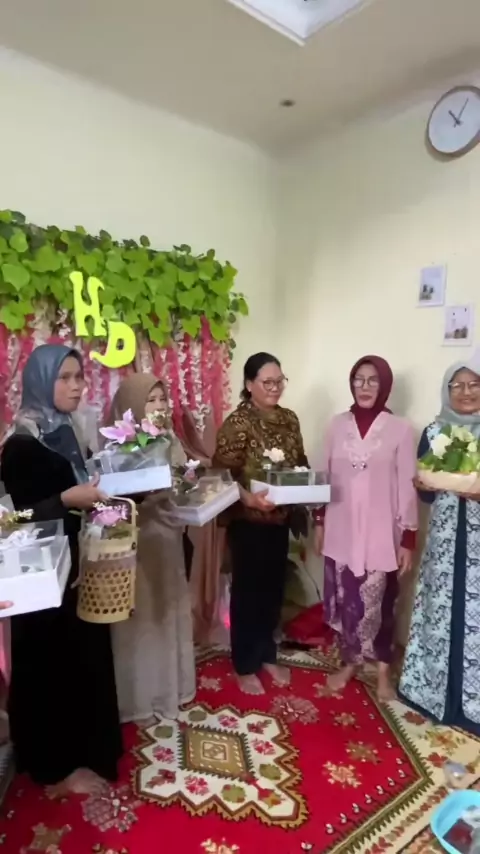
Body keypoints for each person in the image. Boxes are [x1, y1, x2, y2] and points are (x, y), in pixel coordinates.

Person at [0, 344, 123, 795]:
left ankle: (86, 749)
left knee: (83, 658)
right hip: (43, 575)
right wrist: (65, 501)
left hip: (78, 563)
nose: (76, 387)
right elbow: (13, 519)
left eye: (79, 377)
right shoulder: (21, 445)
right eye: (64, 378)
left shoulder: (68, 430)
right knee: (52, 665)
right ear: (41, 382)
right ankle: (55, 764)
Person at [313, 356, 418, 702]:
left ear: (384, 385)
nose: (365, 386)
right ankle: (351, 664)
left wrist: (408, 538)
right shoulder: (336, 425)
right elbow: (323, 477)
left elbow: (407, 485)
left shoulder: (400, 429)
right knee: (348, 603)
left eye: (373, 380)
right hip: (341, 530)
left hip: (381, 535)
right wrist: (319, 521)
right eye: (359, 379)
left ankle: (384, 672)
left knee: (382, 604)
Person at [213, 352, 308, 695]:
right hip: (249, 522)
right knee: (248, 593)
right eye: (267, 382)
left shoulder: (289, 419)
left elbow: (300, 463)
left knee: (273, 590)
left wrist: (308, 489)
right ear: (249, 384)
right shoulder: (238, 423)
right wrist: (250, 500)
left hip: (280, 520)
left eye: (279, 381)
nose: (275, 388)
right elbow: (220, 475)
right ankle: (244, 663)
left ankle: (267, 653)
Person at [399, 355, 480, 734]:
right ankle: (433, 694)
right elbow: (428, 492)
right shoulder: (435, 432)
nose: (465, 392)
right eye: (457, 385)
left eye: (473, 384)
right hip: (445, 543)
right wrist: (423, 486)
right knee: (440, 611)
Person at [108, 374, 196, 722]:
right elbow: (110, 498)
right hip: (135, 542)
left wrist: (187, 484)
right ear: (132, 405)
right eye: (151, 399)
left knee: (166, 611)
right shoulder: (118, 445)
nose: (160, 406)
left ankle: (170, 690)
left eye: (163, 399)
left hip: (167, 537)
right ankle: (139, 700)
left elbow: (183, 485)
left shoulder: (170, 439)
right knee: (140, 619)